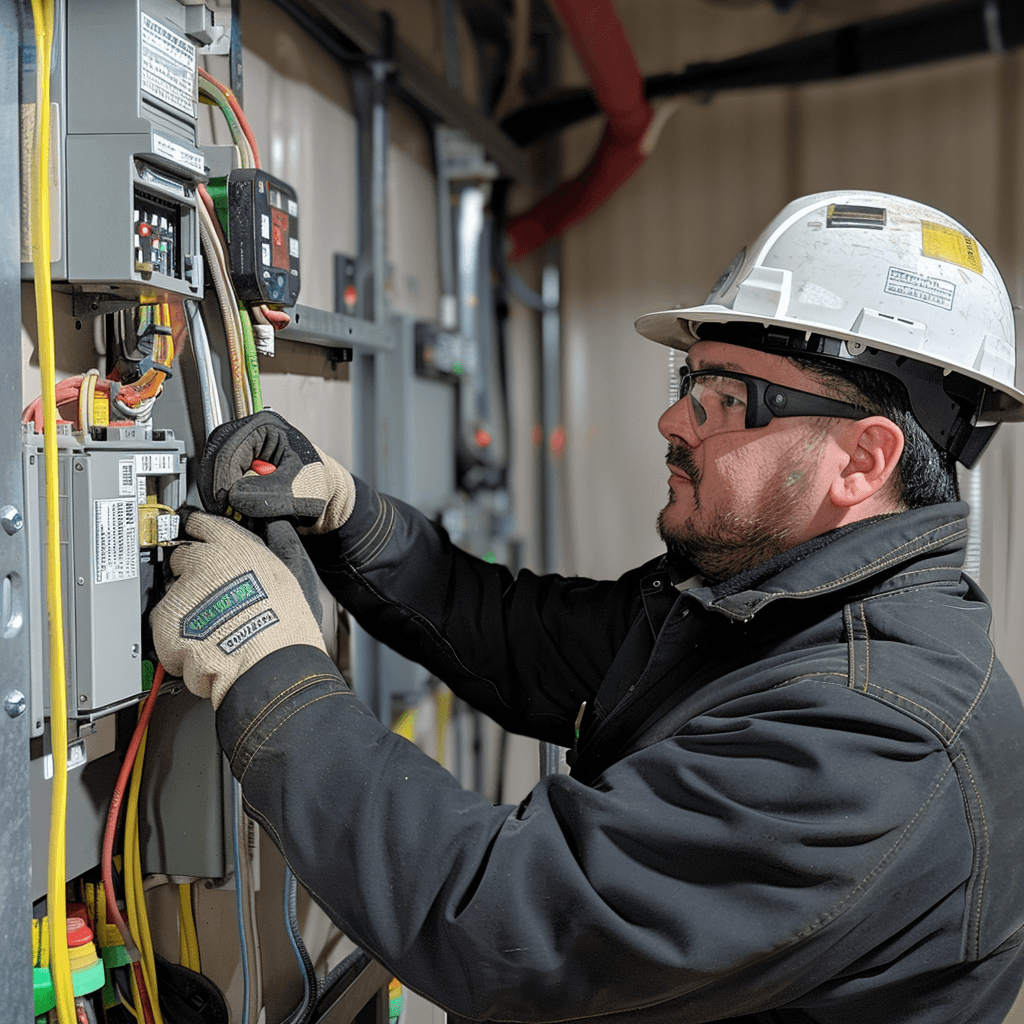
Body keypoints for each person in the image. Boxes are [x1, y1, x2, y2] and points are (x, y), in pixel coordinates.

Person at [152, 191, 1024, 1024]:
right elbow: (526, 636)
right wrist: (351, 519)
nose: (671, 420)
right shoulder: (769, 611)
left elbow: (500, 920)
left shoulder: (873, 736)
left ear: (863, 462)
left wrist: (266, 663)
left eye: (725, 399)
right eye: (690, 380)